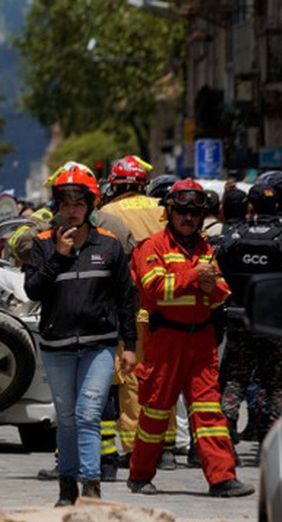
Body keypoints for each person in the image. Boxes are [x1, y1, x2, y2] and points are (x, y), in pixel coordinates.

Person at [128, 179, 254, 498]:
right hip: (165, 339)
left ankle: (222, 478)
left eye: (195, 213)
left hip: (201, 341)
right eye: (182, 211)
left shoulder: (204, 248)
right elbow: (154, 289)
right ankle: (140, 475)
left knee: (209, 411)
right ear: (169, 212)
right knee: (156, 409)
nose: (189, 218)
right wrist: (195, 277)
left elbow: (221, 294)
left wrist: (209, 286)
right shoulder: (151, 246)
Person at [22, 163, 137, 506]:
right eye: (65, 203)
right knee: (67, 417)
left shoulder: (110, 247)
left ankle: (91, 486)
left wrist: (129, 346)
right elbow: (33, 290)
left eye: (78, 203)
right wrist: (58, 257)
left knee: (89, 414)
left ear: (90, 206)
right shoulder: (43, 245)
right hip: (56, 347)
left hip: (98, 345)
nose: (71, 211)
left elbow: (125, 299)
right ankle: (66, 486)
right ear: (58, 206)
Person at [94, 156, 166, 476]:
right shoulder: (163, 208)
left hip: (131, 306)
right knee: (164, 376)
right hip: (169, 302)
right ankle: (167, 445)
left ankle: (135, 446)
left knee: (131, 378)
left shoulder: (107, 214)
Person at [215, 183, 282, 451]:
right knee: (278, 384)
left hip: (241, 320)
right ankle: (276, 443)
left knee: (235, 380)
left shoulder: (233, 236)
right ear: (277, 206)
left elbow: (220, 275)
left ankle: (224, 440)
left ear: (250, 206)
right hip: (276, 324)